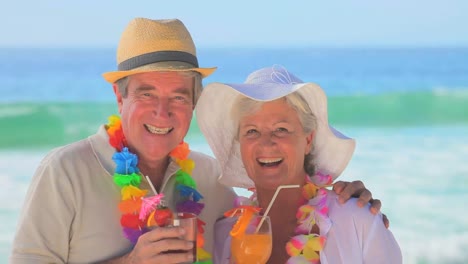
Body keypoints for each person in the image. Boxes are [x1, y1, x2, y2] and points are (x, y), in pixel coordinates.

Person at [10, 18, 386, 263]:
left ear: (193, 103)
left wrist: (349, 200)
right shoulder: (65, 172)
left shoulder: (210, 181)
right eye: (146, 94)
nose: (163, 111)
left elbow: (276, 199)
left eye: (178, 95)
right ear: (119, 97)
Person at [196, 66, 402, 263]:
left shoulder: (357, 220)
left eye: (281, 129)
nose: (266, 142)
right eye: (252, 131)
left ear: (308, 140)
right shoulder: (226, 235)